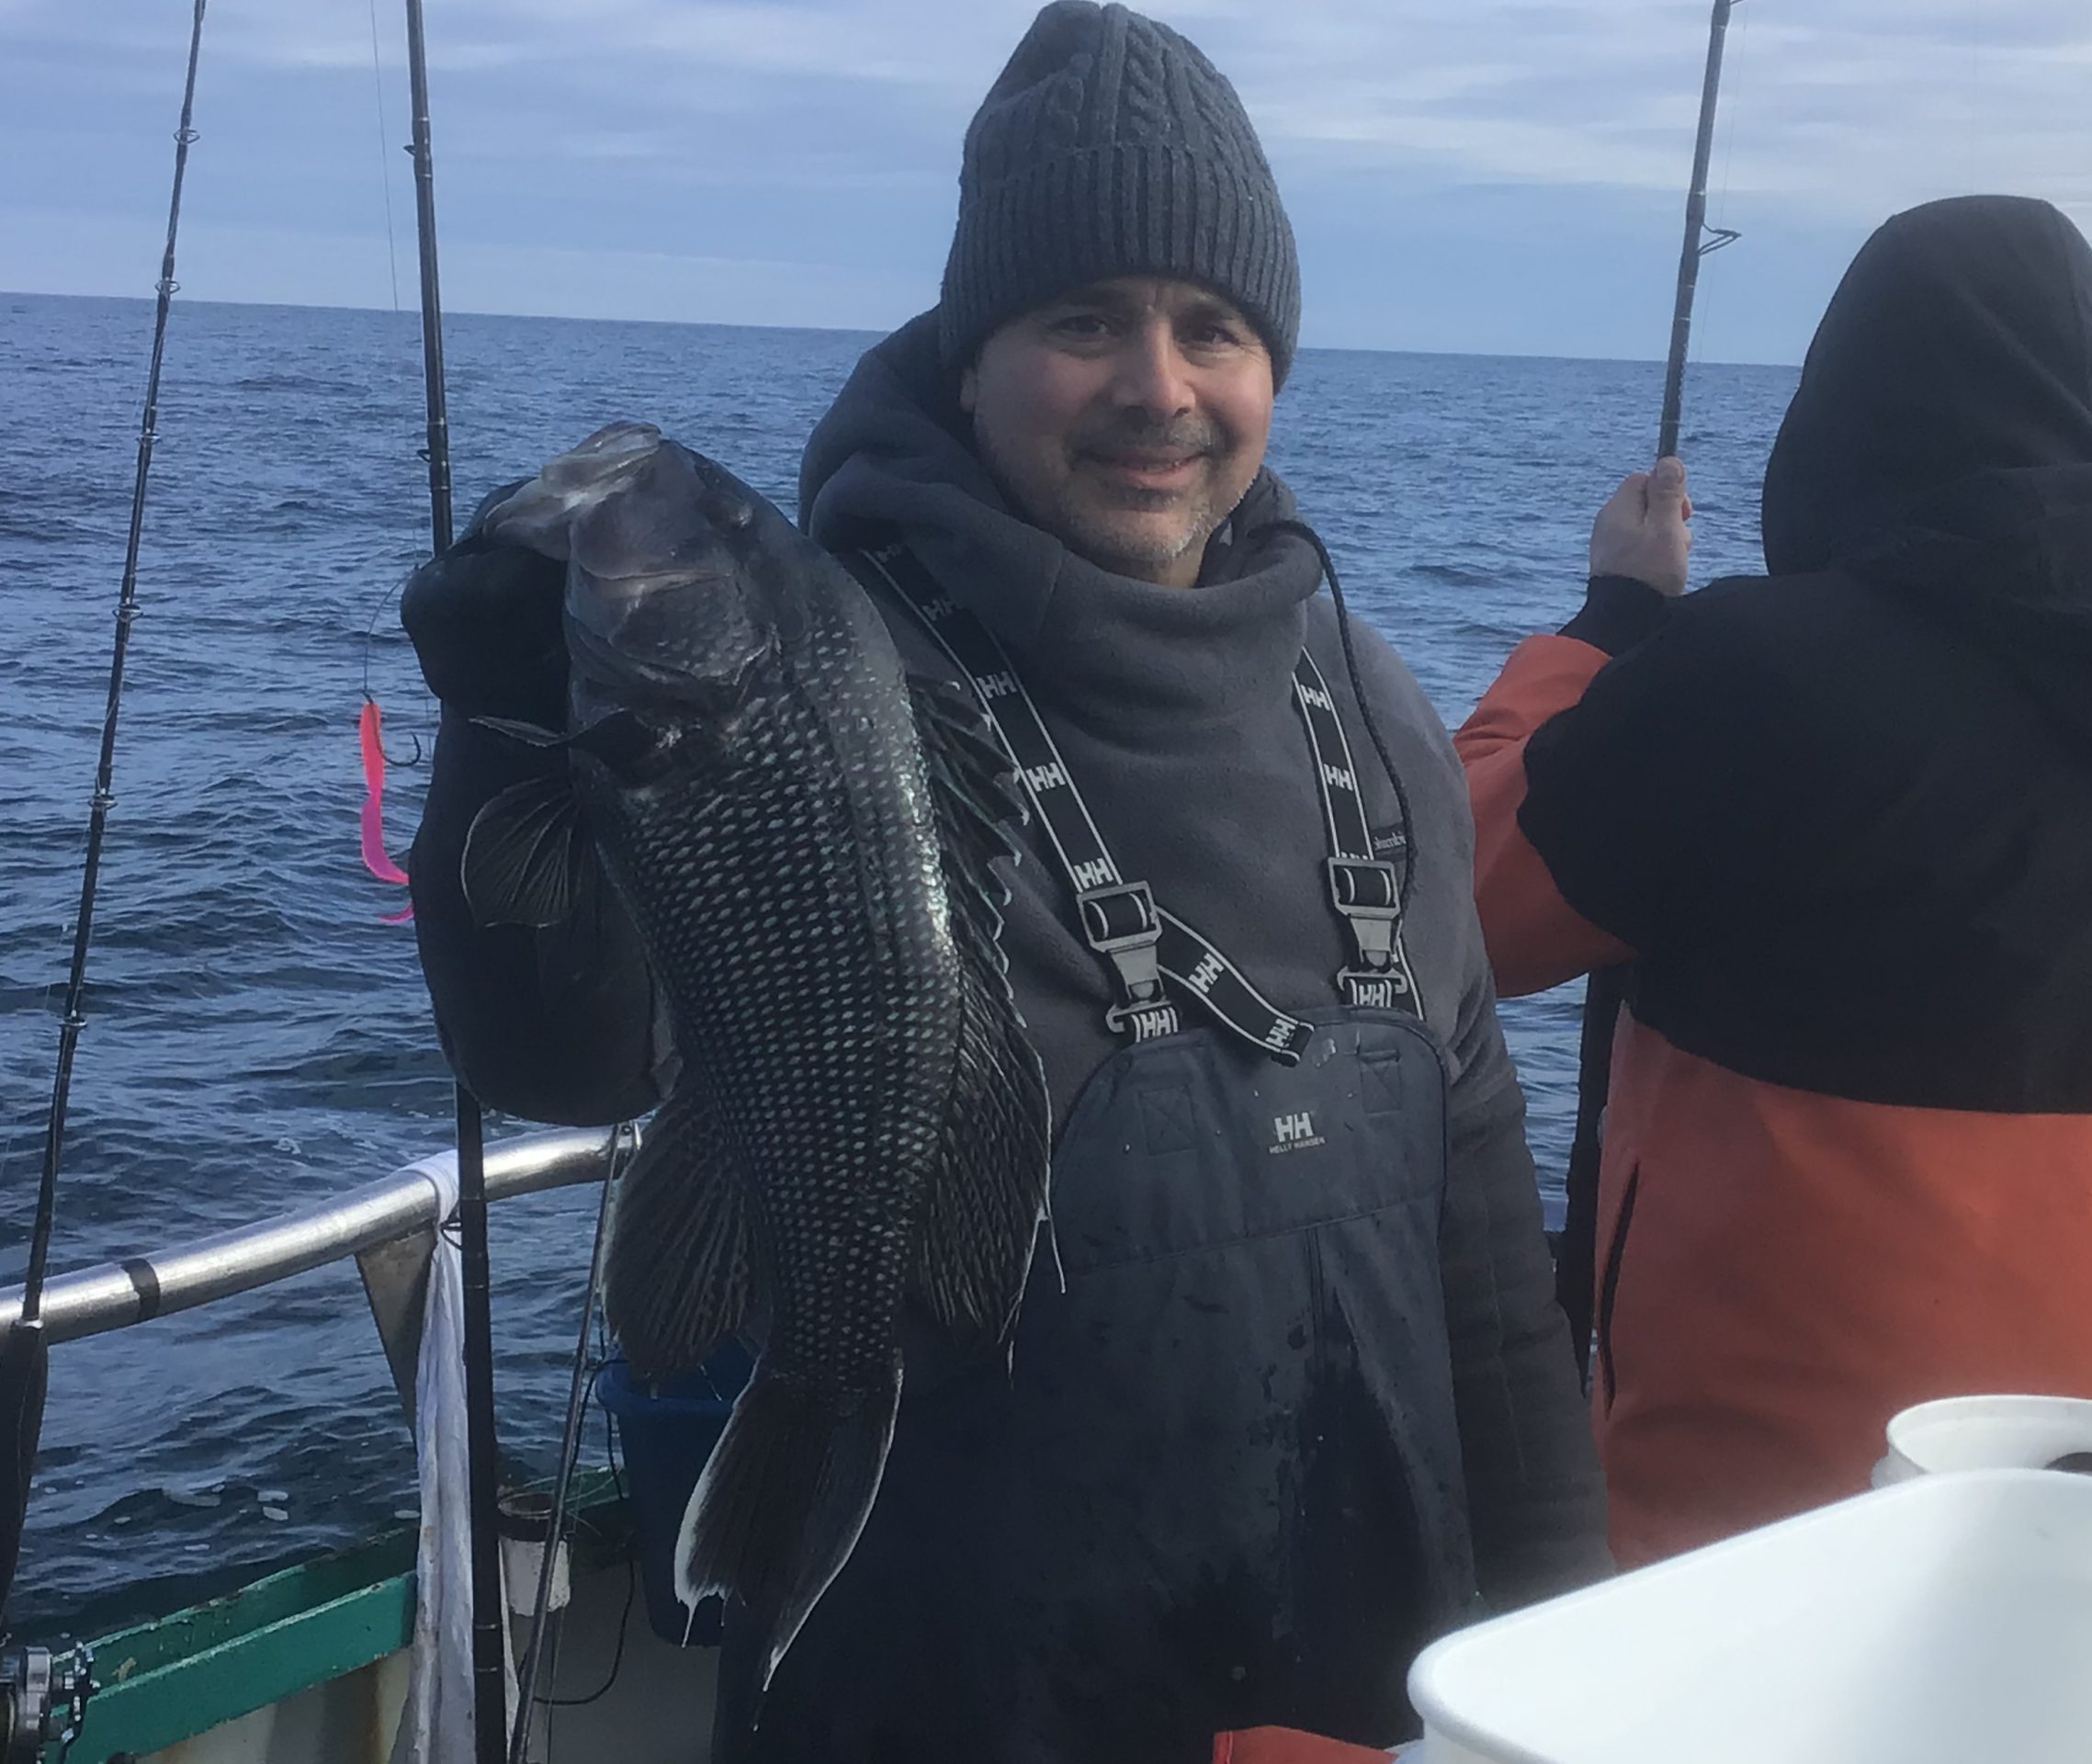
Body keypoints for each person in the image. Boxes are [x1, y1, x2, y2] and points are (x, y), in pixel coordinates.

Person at [400, 3, 1607, 1758]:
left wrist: (1568, 1651)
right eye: (1084, 320)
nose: (1158, 387)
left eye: (1213, 327)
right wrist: (511, 731)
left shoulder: (1373, 702)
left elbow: (1484, 1250)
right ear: (970, 359)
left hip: (1354, 1704)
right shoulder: (816, 670)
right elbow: (560, 1057)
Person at [1457, 194, 2092, 1568]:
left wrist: (1613, 621)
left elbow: (1453, 903)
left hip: (1754, 1560)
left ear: (1841, 407)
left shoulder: (1754, 676)